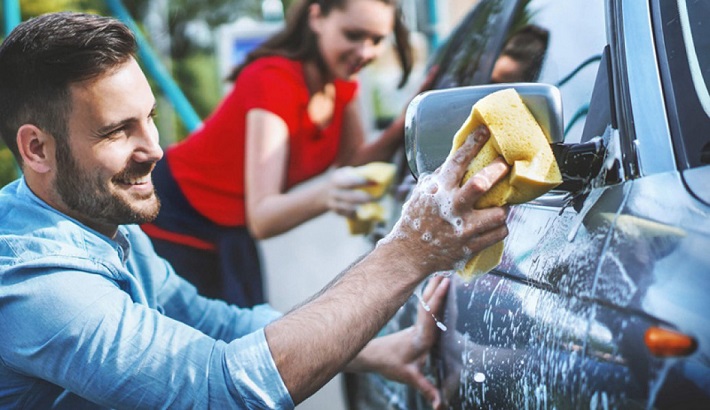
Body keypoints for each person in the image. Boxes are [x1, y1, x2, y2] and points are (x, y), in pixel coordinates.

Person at [0, 11, 511, 409]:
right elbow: (218, 392)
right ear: (37, 149)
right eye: (116, 130)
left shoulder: (98, 222)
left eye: (149, 118)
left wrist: (377, 351)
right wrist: (409, 252)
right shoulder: (39, 287)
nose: (155, 148)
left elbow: (213, 322)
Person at [140, 0, 424, 307]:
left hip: (232, 225)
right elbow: (263, 216)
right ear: (316, 18)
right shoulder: (274, 79)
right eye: (353, 35)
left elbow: (353, 161)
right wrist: (328, 194)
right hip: (175, 213)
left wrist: (406, 123)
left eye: (377, 40)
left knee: (247, 328)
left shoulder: (343, 83)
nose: (366, 52)